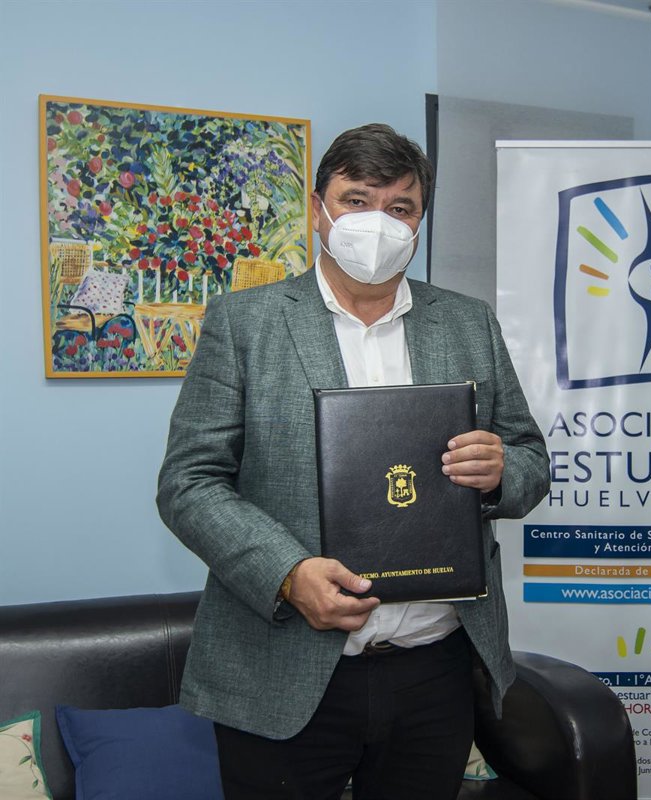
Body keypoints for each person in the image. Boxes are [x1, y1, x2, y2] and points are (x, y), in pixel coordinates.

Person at [157, 123, 550, 800]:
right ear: (318, 211)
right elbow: (188, 484)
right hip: (283, 667)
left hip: (434, 669)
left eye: (400, 207)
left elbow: (529, 459)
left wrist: (499, 472)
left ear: (420, 220)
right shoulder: (244, 323)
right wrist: (287, 574)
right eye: (357, 200)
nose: (378, 223)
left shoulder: (468, 322)